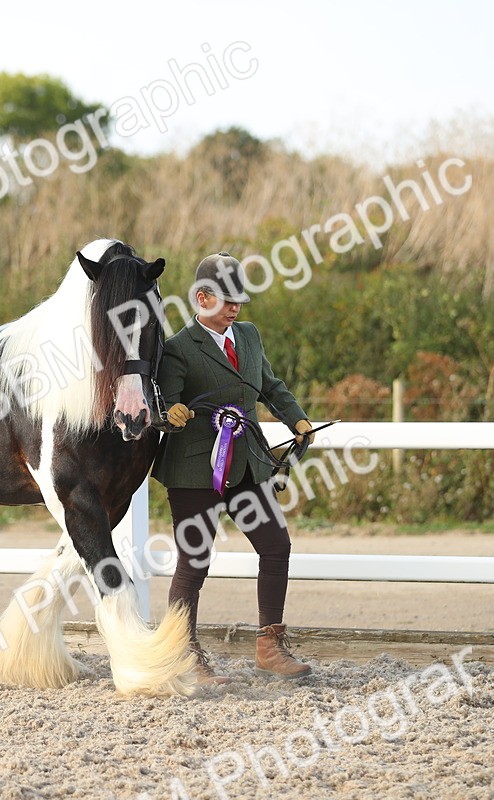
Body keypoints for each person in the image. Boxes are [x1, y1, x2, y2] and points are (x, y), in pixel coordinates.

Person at [151, 253, 314, 685]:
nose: (235, 308)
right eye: (226, 300)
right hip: (195, 473)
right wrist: (173, 412)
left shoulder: (249, 336)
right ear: (202, 298)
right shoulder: (178, 348)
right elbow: (164, 401)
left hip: (248, 466)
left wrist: (295, 417)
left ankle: (270, 645)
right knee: (195, 560)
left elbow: (270, 385)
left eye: (239, 300)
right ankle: (183, 653)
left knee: (276, 546)